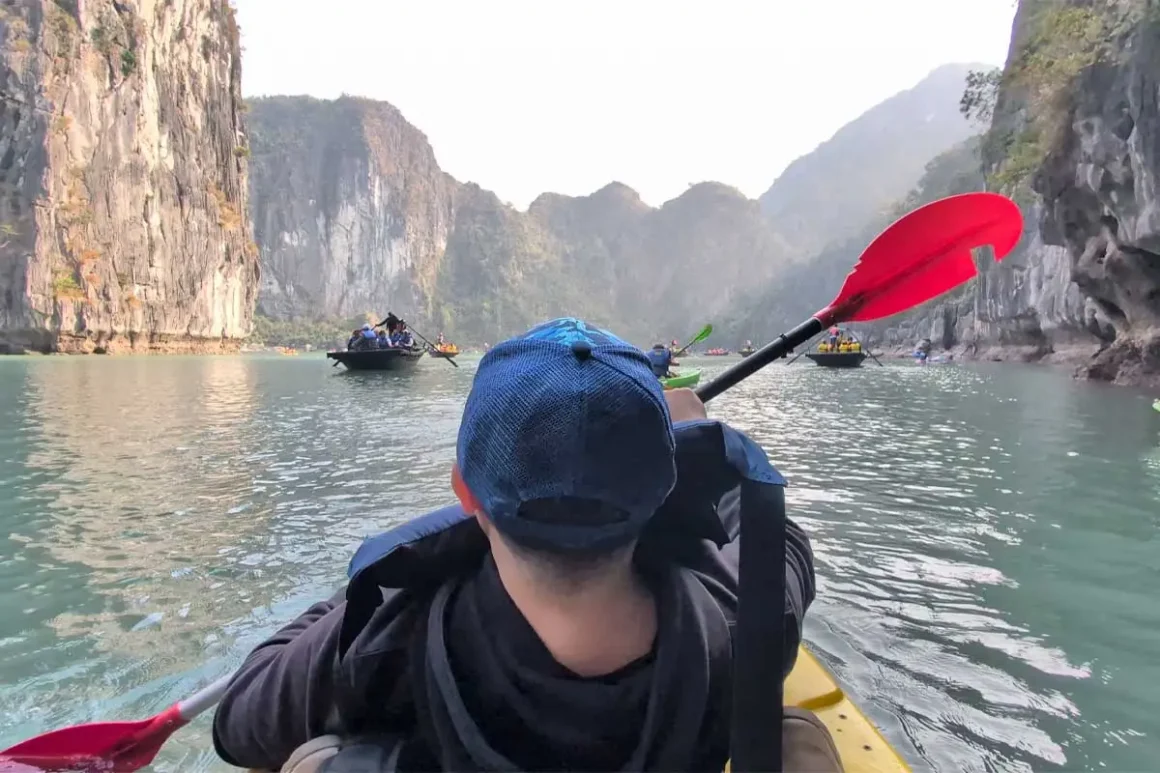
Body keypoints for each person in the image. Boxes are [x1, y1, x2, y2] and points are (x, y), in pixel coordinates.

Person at [211, 317, 816, 773]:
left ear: (464, 494)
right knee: (795, 731)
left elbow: (238, 725)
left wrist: (376, 588)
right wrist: (691, 440)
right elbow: (779, 540)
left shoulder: (386, 637)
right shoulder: (748, 617)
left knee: (320, 758)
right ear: (665, 490)